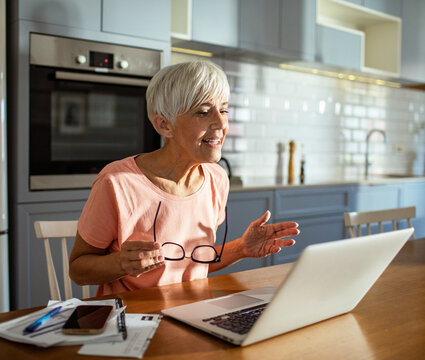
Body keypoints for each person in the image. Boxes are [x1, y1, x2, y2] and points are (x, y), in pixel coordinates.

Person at [69, 60, 299, 296]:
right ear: (164, 125)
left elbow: (195, 263)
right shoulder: (116, 182)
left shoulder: (217, 180)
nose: (221, 123)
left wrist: (241, 248)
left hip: (190, 311)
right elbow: (77, 270)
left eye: (223, 110)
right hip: (132, 319)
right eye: (203, 111)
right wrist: (120, 263)